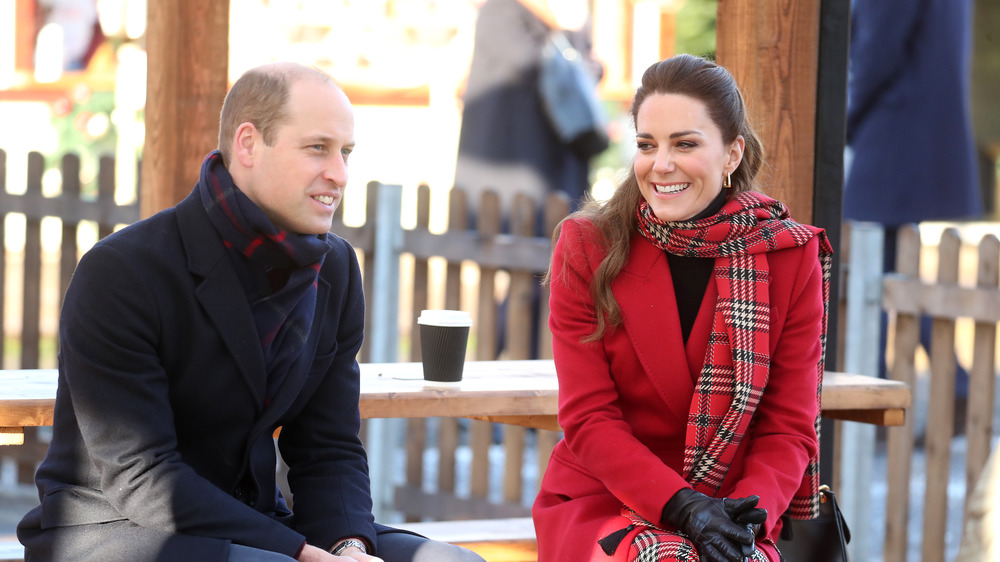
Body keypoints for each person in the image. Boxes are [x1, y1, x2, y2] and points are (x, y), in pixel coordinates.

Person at [16, 62, 485, 562]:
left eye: (345, 153)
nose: (340, 174)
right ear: (247, 144)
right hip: (110, 527)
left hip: (258, 528)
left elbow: (328, 448)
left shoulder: (336, 270)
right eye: (317, 148)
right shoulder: (123, 271)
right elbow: (141, 475)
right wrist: (301, 552)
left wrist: (349, 546)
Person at [532, 54, 834, 561]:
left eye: (685, 144)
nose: (661, 165)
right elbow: (588, 420)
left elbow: (788, 426)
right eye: (647, 145)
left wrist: (739, 519)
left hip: (735, 504)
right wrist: (684, 508)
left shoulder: (789, 254)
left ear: (732, 153)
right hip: (609, 497)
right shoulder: (589, 244)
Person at [843, 0, 981, 428]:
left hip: (893, 130)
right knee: (887, 272)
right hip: (914, 129)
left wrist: (841, 118)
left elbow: (877, 53)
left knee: (874, 274)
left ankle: (876, 398)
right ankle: (952, 387)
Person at [453, 0, 606, 220]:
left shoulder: (556, 21)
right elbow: (530, 64)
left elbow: (584, 64)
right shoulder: (501, 10)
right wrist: (575, 51)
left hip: (550, 160)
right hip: (510, 160)